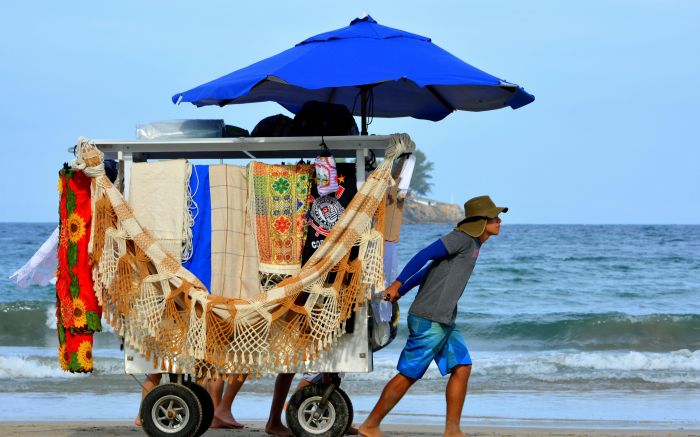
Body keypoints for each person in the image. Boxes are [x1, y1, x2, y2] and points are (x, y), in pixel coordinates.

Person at [359, 196, 507, 437]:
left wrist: (401, 291)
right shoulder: (461, 239)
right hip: (430, 319)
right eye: (494, 218)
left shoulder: (474, 245)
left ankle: (452, 430)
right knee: (409, 373)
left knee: (462, 367)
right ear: (480, 221)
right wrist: (397, 283)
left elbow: (429, 271)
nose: (499, 221)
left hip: (444, 318)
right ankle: (370, 425)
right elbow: (424, 254)